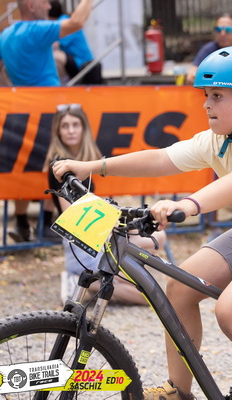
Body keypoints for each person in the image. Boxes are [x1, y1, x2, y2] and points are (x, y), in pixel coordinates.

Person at [53, 45, 232, 400]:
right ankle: (179, 391)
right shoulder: (219, 140)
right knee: (179, 288)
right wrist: (90, 167)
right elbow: (160, 159)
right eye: (206, 95)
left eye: (217, 96)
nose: (206, 104)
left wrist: (187, 205)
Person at [0, 0, 94, 242]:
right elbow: (76, 22)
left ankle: (22, 223)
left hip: (21, 111)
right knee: (56, 165)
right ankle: (46, 224)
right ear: (32, 5)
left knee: (25, 165)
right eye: (45, 2)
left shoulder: (6, 34)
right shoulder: (36, 29)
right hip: (48, 110)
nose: (49, 7)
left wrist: (14, 93)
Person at [44, 103, 162, 305]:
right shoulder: (60, 165)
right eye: (65, 126)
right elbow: (72, 215)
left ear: (84, 129)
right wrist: (111, 226)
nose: (71, 131)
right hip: (82, 238)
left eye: (75, 125)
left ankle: (94, 282)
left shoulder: (84, 162)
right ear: (58, 132)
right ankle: (84, 282)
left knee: (157, 239)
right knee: (149, 296)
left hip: (96, 233)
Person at [48, 0, 104, 85]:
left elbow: (54, 44)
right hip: (76, 61)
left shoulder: (64, 22)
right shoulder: (62, 20)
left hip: (84, 63)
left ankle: (63, 85)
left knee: (55, 55)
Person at [185, 13, 232, 85]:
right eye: (218, 29)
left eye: (228, 30)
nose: (222, 34)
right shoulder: (209, 50)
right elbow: (191, 76)